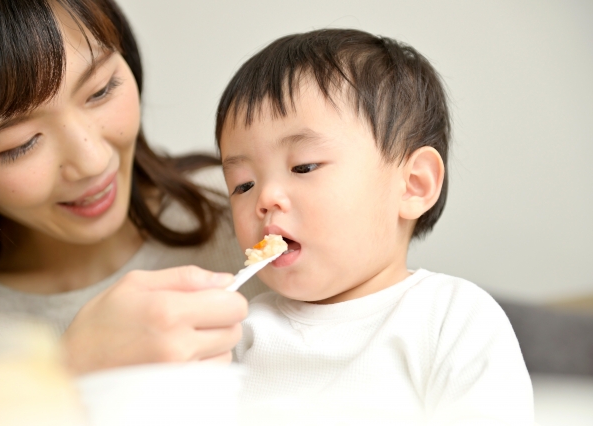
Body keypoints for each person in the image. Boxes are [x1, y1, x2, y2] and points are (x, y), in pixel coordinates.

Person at [216, 29, 534, 423]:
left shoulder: (450, 319)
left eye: (304, 166)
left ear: (413, 185)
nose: (265, 199)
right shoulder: (241, 332)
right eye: (243, 185)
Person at [0, 0, 260, 374]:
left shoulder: (256, 214)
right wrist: (65, 371)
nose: (93, 161)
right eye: (20, 144)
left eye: (101, 91)